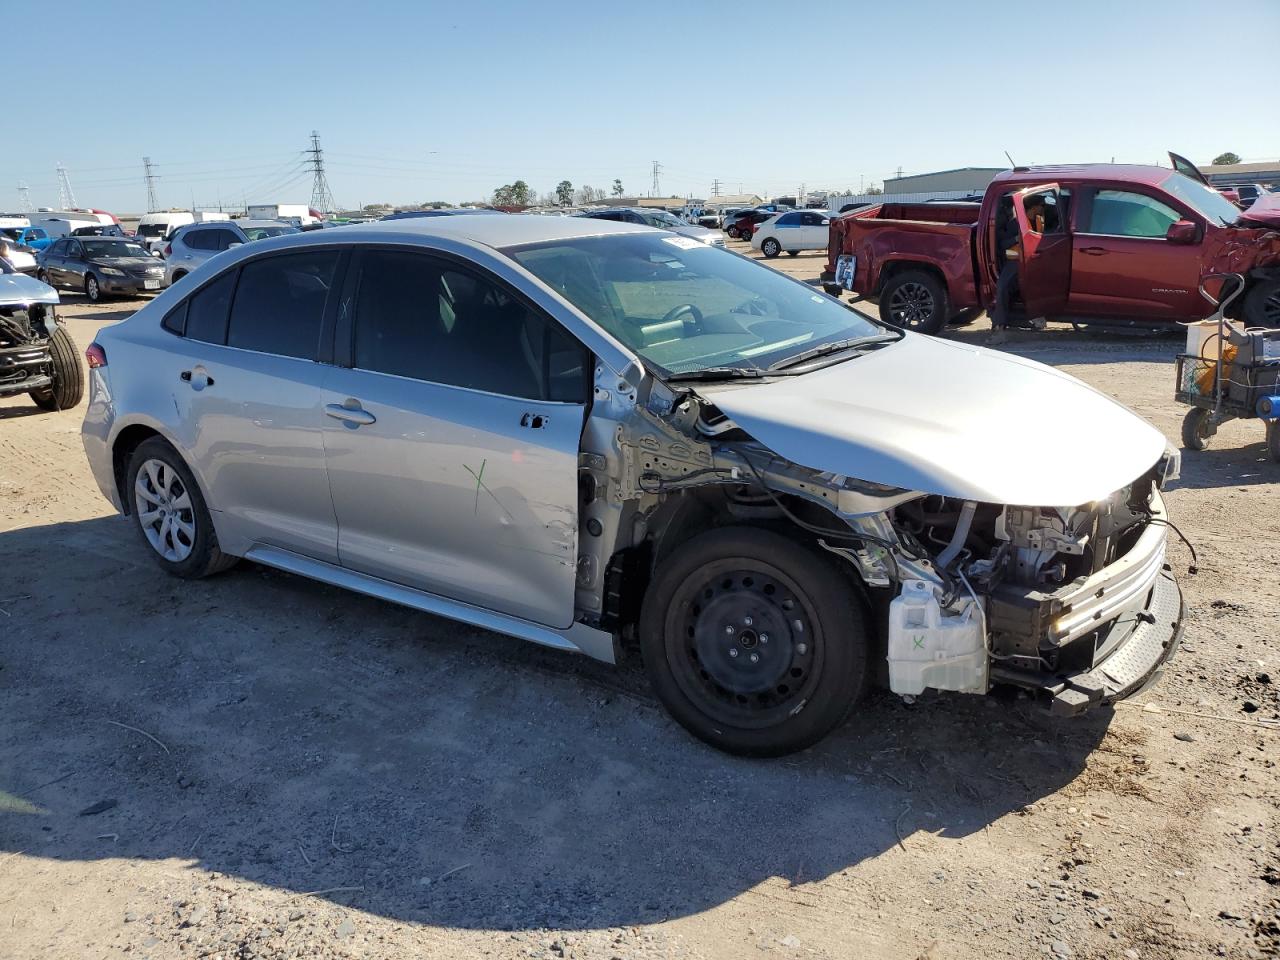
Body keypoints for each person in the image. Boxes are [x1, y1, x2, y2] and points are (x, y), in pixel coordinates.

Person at [989, 195, 1046, 344]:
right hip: (1015, 263)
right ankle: (999, 328)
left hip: (1034, 262)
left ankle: (1034, 316)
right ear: (1033, 208)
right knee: (1003, 289)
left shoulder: (1040, 221)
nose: (1044, 208)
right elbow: (1002, 245)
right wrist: (1016, 239)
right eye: (1042, 205)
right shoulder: (1015, 224)